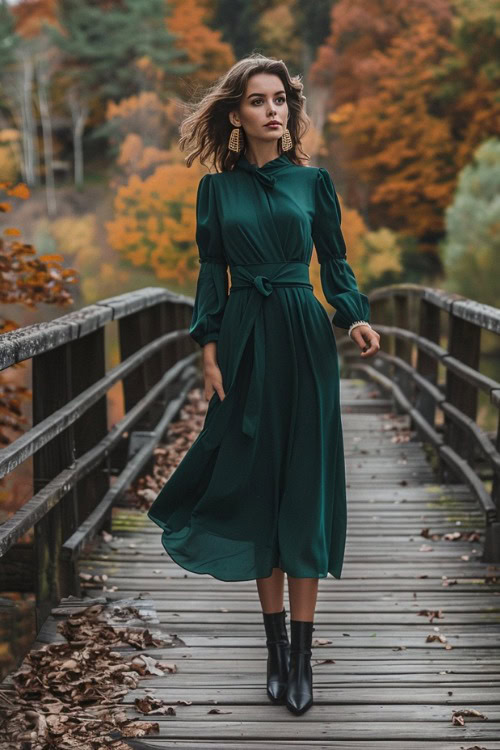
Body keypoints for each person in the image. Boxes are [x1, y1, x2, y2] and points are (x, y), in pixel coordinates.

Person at [147, 53, 380, 716]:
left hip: (305, 338)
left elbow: (334, 261)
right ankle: (274, 655)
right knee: (255, 485)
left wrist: (355, 316)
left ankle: (303, 663)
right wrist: (209, 348)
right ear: (236, 113)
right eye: (258, 99)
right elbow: (210, 273)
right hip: (246, 338)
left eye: (280, 98)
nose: (272, 109)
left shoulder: (313, 183)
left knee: (303, 487)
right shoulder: (216, 192)